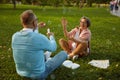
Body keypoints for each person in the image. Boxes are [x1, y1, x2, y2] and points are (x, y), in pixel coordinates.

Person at [11, 10, 68, 80]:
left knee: (36, 53)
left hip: (21, 73)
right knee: (64, 53)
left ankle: (45, 58)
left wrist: (36, 27)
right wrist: (51, 37)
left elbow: (29, 35)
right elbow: (53, 47)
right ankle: (46, 59)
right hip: (38, 75)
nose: (37, 21)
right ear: (34, 23)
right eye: (36, 20)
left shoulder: (15, 36)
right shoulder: (39, 37)